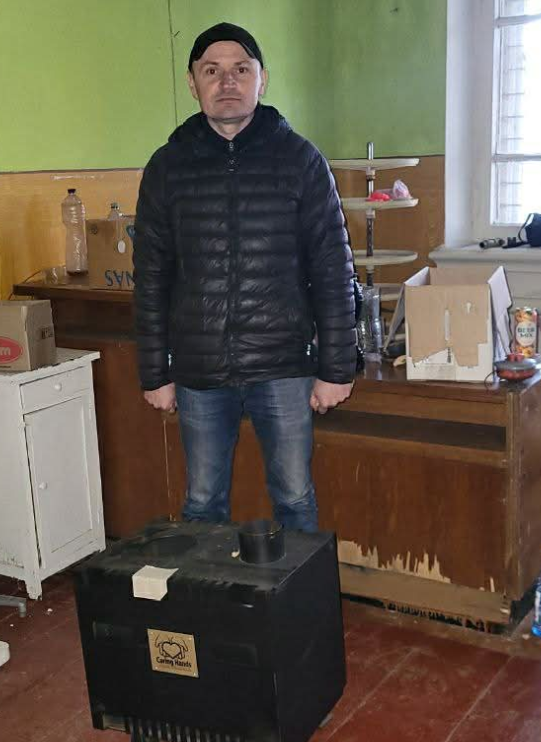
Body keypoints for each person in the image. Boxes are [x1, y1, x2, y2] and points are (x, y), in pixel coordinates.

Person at [133, 22, 356, 533]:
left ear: (262, 79)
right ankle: (208, 591)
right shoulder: (167, 167)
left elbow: (332, 270)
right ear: (193, 83)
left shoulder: (301, 161)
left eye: (241, 69)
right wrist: (155, 373)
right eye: (212, 70)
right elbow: (151, 278)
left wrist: (336, 368)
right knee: (202, 500)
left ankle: (297, 590)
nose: (227, 81)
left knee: (295, 497)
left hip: (283, 364)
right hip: (199, 370)